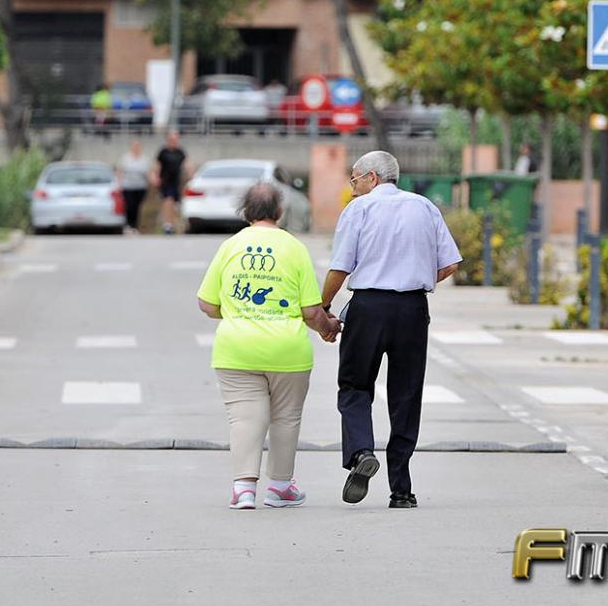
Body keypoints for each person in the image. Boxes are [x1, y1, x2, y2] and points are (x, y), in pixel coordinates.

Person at [322, 151, 462, 509]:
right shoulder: (425, 207)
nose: (352, 189)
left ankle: (361, 452)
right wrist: (411, 276)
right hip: (412, 309)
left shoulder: (359, 210)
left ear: (371, 177)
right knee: (406, 395)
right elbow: (449, 265)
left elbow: (340, 268)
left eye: (354, 180)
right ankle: (402, 490)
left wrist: (322, 308)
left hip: (368, 307)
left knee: (354, 386)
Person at [197, 183, 341, 510]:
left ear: (245, 211)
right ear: (279, 211)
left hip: (236, 350)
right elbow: (310, 311)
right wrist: (327, 329)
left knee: (245, 419)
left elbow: (207, 304)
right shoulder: (294, 248)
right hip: (287, 351)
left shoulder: (230, 246)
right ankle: (279, 487)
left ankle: (243, 489)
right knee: (285, 418)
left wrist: (234, 311)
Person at [154, 130, 189, 234]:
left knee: (174, 204)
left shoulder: (180, 152)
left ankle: (172, 224)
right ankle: (167, 224)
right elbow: (157, 165)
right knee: (168, 201)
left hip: (177, 181)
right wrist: (155, 176)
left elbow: (187, 163)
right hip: (166, 181)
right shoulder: (163, 152)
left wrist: (191, 174)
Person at [116, 140, 151, 234]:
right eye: (134, 146)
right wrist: (118, 184)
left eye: (138, 146)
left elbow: (148, 173)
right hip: (128, 186)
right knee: (129, 206)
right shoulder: (125, 158)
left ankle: (135, 226)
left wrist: (152, 181)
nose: (136, 148)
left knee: (137, 207)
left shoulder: (144, 159)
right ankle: (128, 225)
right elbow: (120, 171)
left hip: (141, 187)